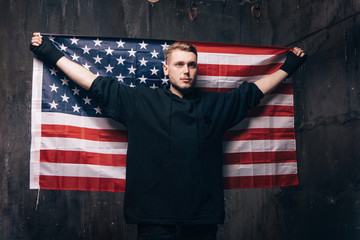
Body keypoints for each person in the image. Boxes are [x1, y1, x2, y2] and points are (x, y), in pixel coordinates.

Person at [30, 32, 306, 240]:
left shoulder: (215, 105)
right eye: (179, 64)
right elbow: (93, 83)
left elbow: (253, 92)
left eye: (192, 65)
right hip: (153, 222)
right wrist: (50, 53)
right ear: (166, 69)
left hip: (202, 221)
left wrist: (288, 66)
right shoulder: (140, 101)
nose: (186, 71)